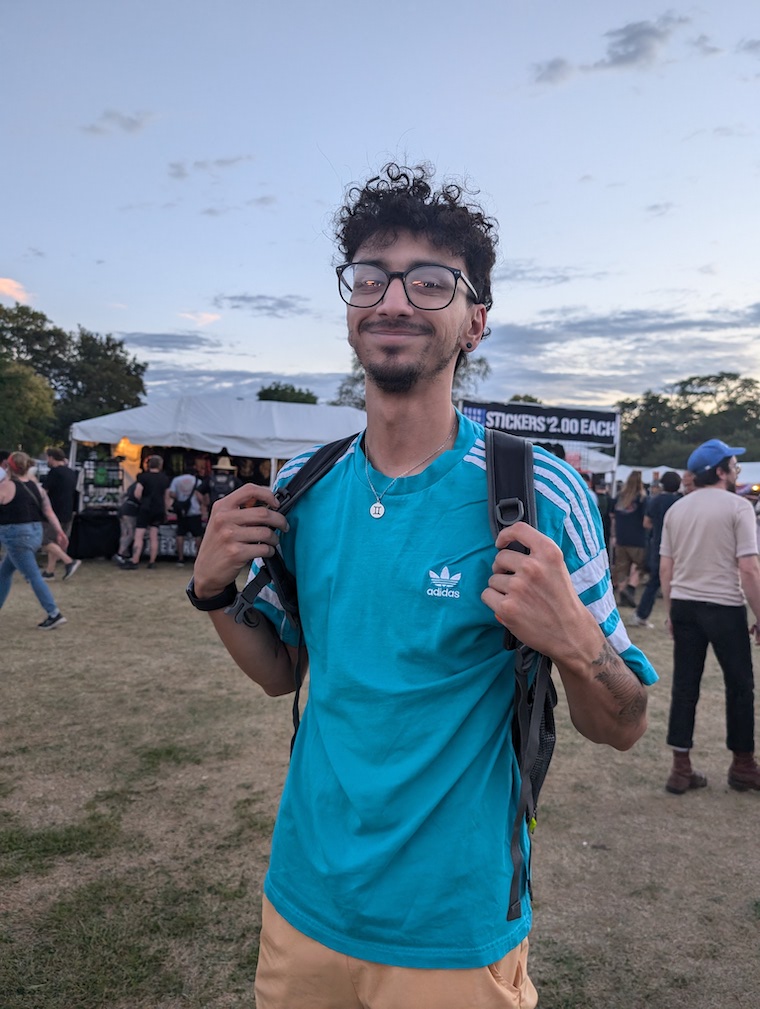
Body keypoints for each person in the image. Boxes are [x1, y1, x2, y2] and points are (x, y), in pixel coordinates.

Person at [189, 163, 656, 1009]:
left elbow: (623, 725)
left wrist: (579, 644)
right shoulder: (303, 484)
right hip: (303, 900)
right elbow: (284, 672)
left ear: (475, 320)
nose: (394, 299)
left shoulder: (536, 492)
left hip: (452, 923)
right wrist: (214, 591)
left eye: (430, 281)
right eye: (372, 276)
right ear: (350, 305)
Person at [660, 438, 760, 794]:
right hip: (723, 605)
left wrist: (671, 612)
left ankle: (680, 768)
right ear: (719, 471)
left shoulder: (677, 509)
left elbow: (666, 568)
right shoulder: (739, 507)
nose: (737, 470)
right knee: (739, 686)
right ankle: (743, 765)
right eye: (733, 465)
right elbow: (748, 568)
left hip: (685, 604)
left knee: (685, 686)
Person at [0, 452, 69, 628]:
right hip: (35, 532)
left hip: (16, 535)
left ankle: (54, 613)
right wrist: (60, 532)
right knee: (4, 572)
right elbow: (48, 511)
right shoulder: (36, 487)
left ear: (8, 467)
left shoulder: (6, 486)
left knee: (33, 576)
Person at [632, 470, 682, 628]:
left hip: (658, 544)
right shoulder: (681, 502)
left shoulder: (655, 500)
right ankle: (677, 618)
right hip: (678, 546)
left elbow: (646, 523)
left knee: (654, 582)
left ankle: (641, 614)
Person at [121, 455, 170, 570]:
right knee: (154, 536)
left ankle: (135, 560)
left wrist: (142, 501)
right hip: (158, 509)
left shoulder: (143, 477)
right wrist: (166, 509)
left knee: (139, 535)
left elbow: (137, 493)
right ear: (160, 465)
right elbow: (167, 497)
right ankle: (152, 562)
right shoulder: (164, 478)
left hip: (145, 508)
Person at [40, 447, 81, 581]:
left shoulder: (54, 472)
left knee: (45, 541)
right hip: (67, 511)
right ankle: (50, 571)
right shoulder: (71, 472)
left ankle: (69, 561)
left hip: (54, 511)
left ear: (52, 457)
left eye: (47, 457)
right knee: (56, 542)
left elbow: (44, 491)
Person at [611, 470, 647, 608]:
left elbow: (613, 517)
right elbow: (645, 520)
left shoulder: (619, 498)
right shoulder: (642, 499)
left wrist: (614, 535)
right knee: (639, 566)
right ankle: (630, 588)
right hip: (637, 538)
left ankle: (621, 593)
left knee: (621, 568)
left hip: (621, 537)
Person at [167, 464, 204, 565]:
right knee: (197, 535)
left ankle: (180, 558)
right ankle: (198, 558)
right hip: (195, 511)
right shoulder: (198, 481)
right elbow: (200, 497)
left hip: (181, 512)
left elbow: (172, 494)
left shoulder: (176, 480)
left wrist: (180, 497)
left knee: (180, 534)